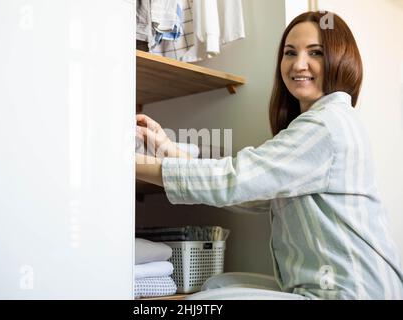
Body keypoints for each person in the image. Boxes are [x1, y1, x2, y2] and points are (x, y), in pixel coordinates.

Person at [135, 11, 403, 300]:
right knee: (218, 286)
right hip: (335, 288)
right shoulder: (325, 121)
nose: (299, 64)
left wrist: (130, 164)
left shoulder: (326, 124)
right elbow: (251, 190)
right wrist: (167, 150)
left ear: (340, 58)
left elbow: (234, 179)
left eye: (315, 52)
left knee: (207, 302)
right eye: (290, 53)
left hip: (352, 293)